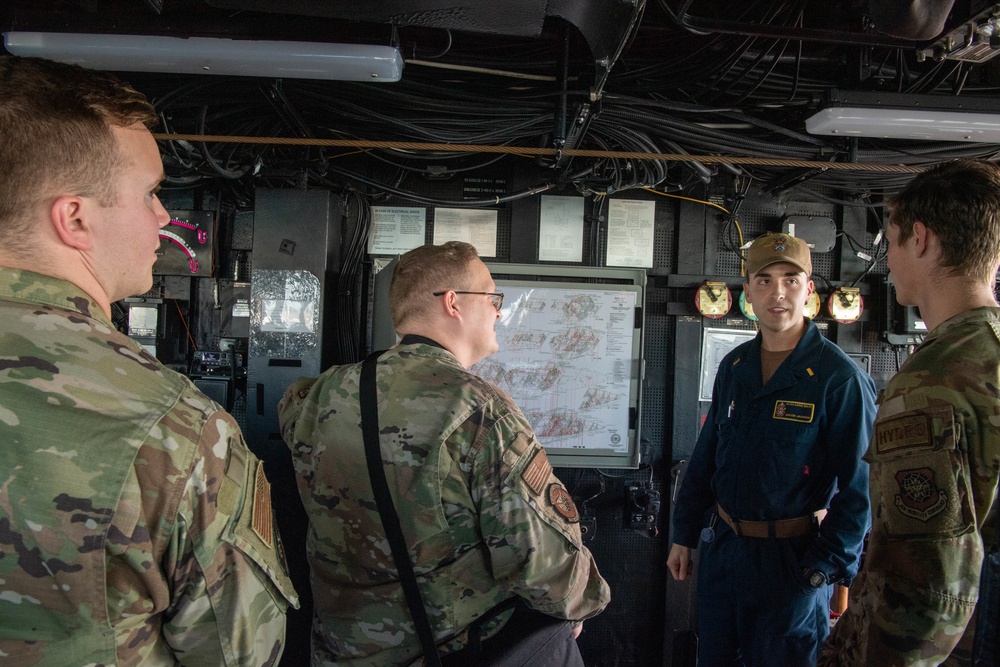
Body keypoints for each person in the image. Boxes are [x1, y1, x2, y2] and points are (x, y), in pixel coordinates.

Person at [0, 56, 297, 665]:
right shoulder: (176, 431)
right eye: (151, 193)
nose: (164, 217)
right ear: (75, 218)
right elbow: (240, 652)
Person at [279, 241, 611, 666]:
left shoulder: (321, 392)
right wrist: (583, 602)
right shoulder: (480, 411)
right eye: (492, 297)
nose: (498, 311)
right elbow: (541, 563)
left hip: (340, 651)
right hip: (447, 651)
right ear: (454, 303)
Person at [667, 232, 878, 666]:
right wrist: (684, 534)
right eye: (764, 280)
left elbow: (862, 490)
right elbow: (708, 456)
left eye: (791, 279)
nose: (777, 292)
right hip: (725, 552)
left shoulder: (839, 379)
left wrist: (822, 569)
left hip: (792, 564)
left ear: (809, 290)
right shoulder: (736, 366)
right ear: (748, 293)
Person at [821, 159, 1000, 666]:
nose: (890, 260)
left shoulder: (931, 383)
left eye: (891, 244)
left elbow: (923, 590)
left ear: (919, 239)